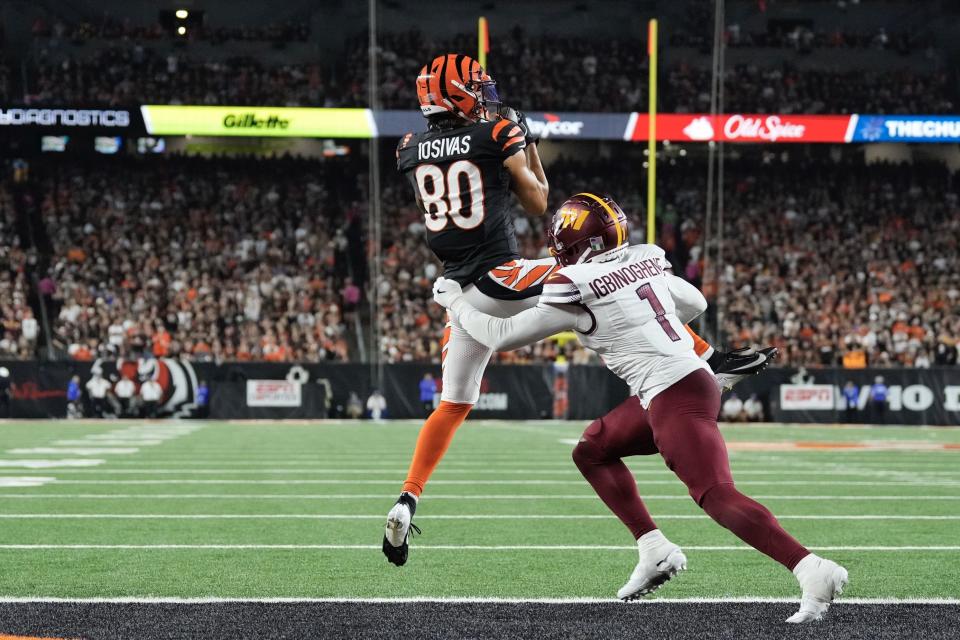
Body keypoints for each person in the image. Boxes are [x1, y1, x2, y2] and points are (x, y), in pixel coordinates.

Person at [383, 55, 774, 567]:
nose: (485, 95)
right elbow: (538, 202)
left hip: (459, 286)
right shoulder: (494, 134)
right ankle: (712, 358)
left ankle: (408, 497)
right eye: (475, 88)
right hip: (502, 275)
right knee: (616, 275)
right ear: (458, 93)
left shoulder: (408, 148)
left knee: (453, 402)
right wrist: (529, 148)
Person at [431, 193, 847, 623]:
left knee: (716, 494)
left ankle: (811, 569)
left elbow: (500, 335)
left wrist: (456, 303)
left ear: (576, 243)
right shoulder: (644, 258)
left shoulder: (575, 284)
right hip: (673, 385)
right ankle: (654, 549)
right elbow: (695, 304)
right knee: (592, 449)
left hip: (675, 392)